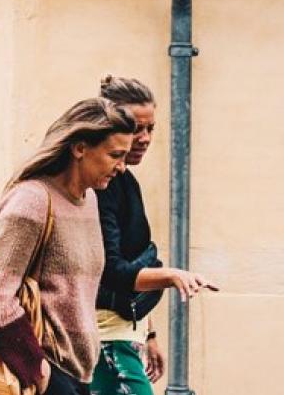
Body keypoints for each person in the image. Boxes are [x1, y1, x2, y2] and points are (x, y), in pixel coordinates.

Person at [0, 98, 138, 395]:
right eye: (115, 155)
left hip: (80, 373)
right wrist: (40, 374)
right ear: (79, 148)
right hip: (49, 375)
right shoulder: (32, 201)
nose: (122, 168)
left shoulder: (90, 202)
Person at [90, 76, 217, 395]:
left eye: (151, 129)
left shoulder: (125, 182)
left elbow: (129, 261)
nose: (144, 138)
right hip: (106, 340)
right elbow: (111, 270)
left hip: (124, 338)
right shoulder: (102, 187)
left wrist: (148, 334)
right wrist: (171, 275)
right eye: (136, 129)